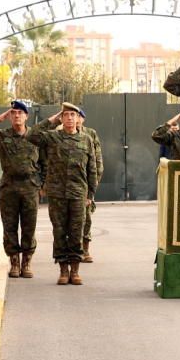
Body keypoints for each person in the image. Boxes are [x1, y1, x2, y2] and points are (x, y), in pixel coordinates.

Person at [27, 102, 98, 286]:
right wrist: (51, 120)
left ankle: (75, 270)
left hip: (78, 194)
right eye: (65, 115)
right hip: (57, 193)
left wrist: (91, 193)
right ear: (61, 117)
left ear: (78, 118)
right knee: (59, 232)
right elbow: (31, 135)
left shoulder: (86, 140)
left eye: (72, 115)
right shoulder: (52, 137)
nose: (69, 118)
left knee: (76, 232)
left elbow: (92, 168)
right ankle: (63, 270)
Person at [0, 101, 43, 278]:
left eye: (20, 113)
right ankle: (14, 261)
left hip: (30, 187)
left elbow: (45, 162)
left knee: (29, 226)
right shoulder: (1, 136)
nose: (16, 116)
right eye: (13, 113)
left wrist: (42, 185)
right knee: (10, 226)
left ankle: (26, 262)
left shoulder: (35, 137)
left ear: (26, 116)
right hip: (9, 187)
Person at [77, 108, 103, 263]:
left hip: (86, 183)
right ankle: (73, 249)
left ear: (83, 119)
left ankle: (85, 249)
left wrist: (95, 181)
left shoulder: (90, 134)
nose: (76, 119)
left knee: (86, 218)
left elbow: (97, 159)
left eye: (79, 116)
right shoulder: (59, 134)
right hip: (67, 183)